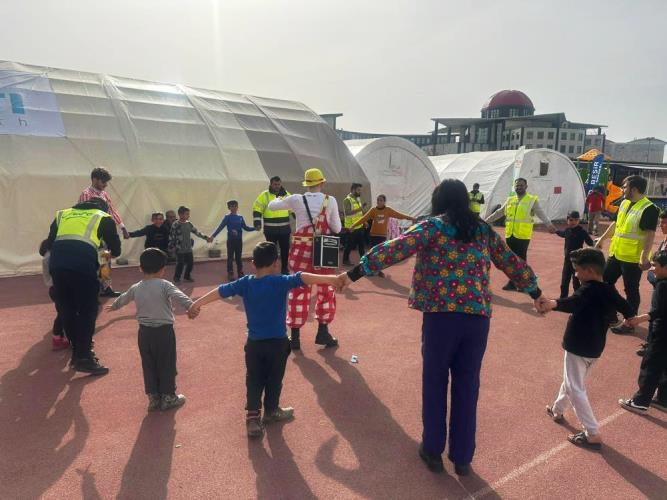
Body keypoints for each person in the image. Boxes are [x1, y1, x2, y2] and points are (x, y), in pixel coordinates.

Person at [342, 179, 543, 476]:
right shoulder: (483, 229)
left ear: (439, 200)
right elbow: (510, 262)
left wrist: (355, 273)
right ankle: (462, 457)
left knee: (435, 382)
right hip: (477, 319)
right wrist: (536, 294)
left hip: (441, 317)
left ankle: (433, 450)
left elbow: (395, 248)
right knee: (467, 386)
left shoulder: (433, 227)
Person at [189, 242, 344, 438]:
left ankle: (253, 419)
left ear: (253, 263)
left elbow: (221, 291)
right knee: (274, 379)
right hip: (277, 344)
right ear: (276, 264)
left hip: (254, 345)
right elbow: (303, 277)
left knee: (253, 379)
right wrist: (333, 279)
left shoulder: (245, 283)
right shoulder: (280, 282)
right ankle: (272, 411)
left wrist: (197, 303)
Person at [540, 248, 633, 450]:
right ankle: (557, 409)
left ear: (589, 271)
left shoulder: (587, 290)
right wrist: (627, 317)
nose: (576, 274)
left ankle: (592, 432)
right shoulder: (609, 290)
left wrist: (552, 304)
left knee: (575, 388)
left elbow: (574, 302)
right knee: (573, 381)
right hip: (595, 348)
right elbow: (627, 309)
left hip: (577, 346)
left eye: (578, 270)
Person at [105, 248, 194, 411]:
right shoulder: (165, 285)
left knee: (149, 364)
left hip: (144, 333)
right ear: (162, 269)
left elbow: (124, 298)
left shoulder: (136, 287)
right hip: (164, 332)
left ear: (140, 267)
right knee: (166, 364)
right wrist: (191, 306)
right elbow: (180, 296)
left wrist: (115, 305)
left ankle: (153, 398)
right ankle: (168, 397)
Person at [43, 197, 121, 374]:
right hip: (83, 267)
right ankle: (84, 357)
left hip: (57, 266)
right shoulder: (103, 217)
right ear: (105, 209)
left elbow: (50, 243)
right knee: (87, 310)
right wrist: (103, 261)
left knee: (67, 309)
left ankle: (78, 350)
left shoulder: (62, 214)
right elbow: (115, 251)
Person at [267, 168, 342, 350]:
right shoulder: (329, 200)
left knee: (298, 290)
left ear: (306, 184)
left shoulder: (296, 199)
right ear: (322, 183)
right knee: (326, 289)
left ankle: (295, 338)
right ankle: (323, 332)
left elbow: (272, 206)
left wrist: (280, 197)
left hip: (301, 251)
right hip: (323, 252)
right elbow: (337, 228)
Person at [595, 175, 659, 334]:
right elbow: (616, 225)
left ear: (634, 189)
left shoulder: (649, 209)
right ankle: (611, 314)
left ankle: (630, 322)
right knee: (604, 282)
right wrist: (602, 239)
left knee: (631, 290)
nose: (622, 189)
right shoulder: (624, 203)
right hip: (616, 253)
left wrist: (644, 257)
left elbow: (650, 235)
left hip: (633, 258)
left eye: (625, 187)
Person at [618, 249, 667, 414]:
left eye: (656, 266)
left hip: (661, 332)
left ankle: (640, 401)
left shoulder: (663, 285)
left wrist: (638, 319)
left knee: (651, 365)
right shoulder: (660, 280)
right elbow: (650, 276)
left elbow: (660, 311)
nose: (652, 269)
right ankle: (663, 398)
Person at [485, 178, 557, 291]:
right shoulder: (510, 200)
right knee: (510, 260)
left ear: (526, 186)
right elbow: (499, 212)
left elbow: (540, 212)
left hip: (523, 235)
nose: (519, 187)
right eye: (517, 185)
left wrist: (549, 224)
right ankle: (512, 282)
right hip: (510, 234)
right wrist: (486, 221)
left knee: (521, 260)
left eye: (521, 185)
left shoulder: (531, 200)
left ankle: (524, 284)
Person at [79, 167, 127, 297]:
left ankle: (106, 287)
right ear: (94, 179)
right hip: (91, 234)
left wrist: (122, 226)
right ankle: (90, 289)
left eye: (106, 182)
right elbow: (84, 214)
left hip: (104, 234)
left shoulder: (104, 194)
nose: (105, 185)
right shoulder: (86, 194)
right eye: (103, 182)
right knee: (91, 261)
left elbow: (112, 211)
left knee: (105, 261)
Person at [351, 194, 416, 277]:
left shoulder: (388, 210)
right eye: (378, 200)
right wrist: (353, 225)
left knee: (381, 254)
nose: (379, 202)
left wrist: (411, 218)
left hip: (382, 236)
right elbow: (364, 218)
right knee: (372, 254)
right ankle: (369, 270)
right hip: (373, 235)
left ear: (384, 202)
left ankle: (379, 270)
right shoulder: (373, 210)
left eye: (381, 200)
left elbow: (399, 215)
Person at [253, 176, 292, 274]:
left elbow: (294, 209)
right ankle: (270, 269)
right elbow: (257, 208)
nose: (277, 186)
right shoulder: (264, 195)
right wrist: (257, 222)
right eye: (275, 184)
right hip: (270, 230)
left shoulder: (287, 195)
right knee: (270, 251)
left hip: (284, 229)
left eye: (279, 184)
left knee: (285, 250)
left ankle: (284, 268)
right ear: (271, 184)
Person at [211, 200, 256, 281]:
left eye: (235, 206)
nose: (234, 208)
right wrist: (212, 236)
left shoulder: (240, 217)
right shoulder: (227, 217)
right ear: (229, 208)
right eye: (232, 206)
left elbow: (246, 228)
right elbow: (220, 227)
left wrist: (255, 228)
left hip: (239, 241)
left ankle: (240, 272)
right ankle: (230, 273)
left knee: (238, 257)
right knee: (230, 257)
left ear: (237, 207)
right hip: (231, 241)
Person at [555, 211, 594, 298]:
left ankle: (578, 298)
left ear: (579, 220)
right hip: (567, 260)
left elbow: (590, 242)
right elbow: (562, 234)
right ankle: (563, 299)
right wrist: (556, 231)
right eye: (571, 220)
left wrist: (596, 244)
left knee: (576, 282)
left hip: (577, 261)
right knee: (564, 281)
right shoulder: (567, 230)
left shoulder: (582, 232)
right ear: (567, 220)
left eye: (576, 220)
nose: (573, 222)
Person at [168, 206, 212, 283]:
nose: (188, 216)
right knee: (180, 264)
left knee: (190, 263)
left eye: (188, 214)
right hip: (179, 249)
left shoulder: (189, 224)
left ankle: (187, 276)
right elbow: (172, 236)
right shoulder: (175, 224)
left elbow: (197, 232)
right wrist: (171, 247)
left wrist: (206, 238)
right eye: (186, 214)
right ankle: (176, 278)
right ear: (180, 215)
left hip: (188, 248)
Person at [39, 239, 69, 350]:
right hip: (58, 287)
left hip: (54, 288)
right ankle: (60, 336)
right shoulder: (51, 256)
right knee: (64, 313)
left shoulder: (47, 256)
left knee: (62, 312)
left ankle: (60, 336)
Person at [342, 183, 367, 265]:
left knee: (361, 245)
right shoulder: (347, 200)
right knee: (349, 245)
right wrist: (360, 208)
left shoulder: (358, 199)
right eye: (358, 190)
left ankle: (363, 261)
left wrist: (364, 221)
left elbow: (360, 213)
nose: (360, 192)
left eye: (360, 190)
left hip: (359, 226)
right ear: (353, 190)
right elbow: (347, 213)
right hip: (351, 227)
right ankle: (345, 260)